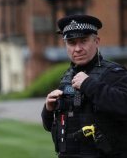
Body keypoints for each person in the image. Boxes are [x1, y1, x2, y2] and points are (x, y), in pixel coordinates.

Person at [41, 14, 127, 158]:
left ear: (97, 41)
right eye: (72, 42)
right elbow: (53, 126)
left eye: (84, 41)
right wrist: (48, 110)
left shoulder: (114, 73)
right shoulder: (67, 76)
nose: (78, 48)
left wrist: (89, 85)